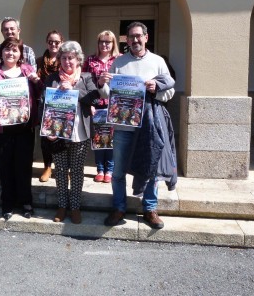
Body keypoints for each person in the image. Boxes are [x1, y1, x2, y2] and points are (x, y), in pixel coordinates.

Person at [99, 22, 176, 229]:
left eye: (138, 36)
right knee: (118, 172)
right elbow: (109, 95)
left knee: (150, 168)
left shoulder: (158, 61)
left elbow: (170, 92)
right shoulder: (119, 63)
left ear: (146, 37)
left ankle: (150, 209)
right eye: (130, 37)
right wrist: (101, 84)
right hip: (124, 127)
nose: (134, 40)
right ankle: (119, 207)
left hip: (148, 126)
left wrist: (155, 89)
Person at [0, 38, 41, 221]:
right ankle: (8, 203)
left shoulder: (28, 70)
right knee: (6, 165)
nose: (10, 53)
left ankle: (26, 201)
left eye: (15, 50)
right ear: (1, 52)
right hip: (2, 127)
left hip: (25, 125)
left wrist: (36, 81)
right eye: (7, 50)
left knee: (24, 165)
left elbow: (41, 93)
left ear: (20, 54)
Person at [43, 41, 107, 224]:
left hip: (80, 132)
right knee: (61, 170)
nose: (67, 61)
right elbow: (43, 101)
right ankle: (62, 206)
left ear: (78, 59)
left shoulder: (86, 77)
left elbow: (94, 98)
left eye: (71, 58)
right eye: (63, 58)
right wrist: (47, 129)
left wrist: (74, 90)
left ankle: (75, 207)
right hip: (58, 133)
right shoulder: (53, 78)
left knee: (77, 171)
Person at [82, 30, 121, 184]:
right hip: (96, 106)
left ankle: (110, 170)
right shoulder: (90, 60)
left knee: (111, 141)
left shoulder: (119, 60)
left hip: (114, 107)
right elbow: (84, 82)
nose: (104, 44)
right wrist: (89, 104)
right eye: (102, 41)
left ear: (113, 44)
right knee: (98, 140)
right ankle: (99, 169)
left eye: (108, 42)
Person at [36, 30, 64, 182]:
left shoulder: (65, 60)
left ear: (61, 43)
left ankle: (62, 168)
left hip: (62, 103)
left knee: (62, 137)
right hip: (44, 103)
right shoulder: (39, 61)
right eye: (51, 41)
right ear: (47, 42)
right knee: (45, 138)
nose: (54, 44)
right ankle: (47, 166)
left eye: (57, 42)